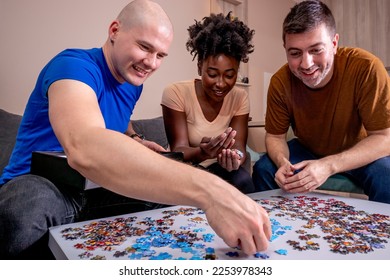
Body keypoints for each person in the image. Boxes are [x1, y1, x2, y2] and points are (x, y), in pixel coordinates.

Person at [0, 0, 271, 259]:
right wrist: (213, 192)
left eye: (160, 55)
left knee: (171, 201)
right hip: (48, 185)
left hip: (98, 187)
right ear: (115, 31)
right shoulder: (72, 66)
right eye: (144, 47)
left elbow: (111, 118)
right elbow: (85, 145)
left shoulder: (133, 83)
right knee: (25, 208)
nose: (151, 63)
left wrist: (134, 139)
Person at [252, 0, 390, 204]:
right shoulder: (280, 82)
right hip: (306, 149)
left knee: (386, 176)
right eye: (295, 53)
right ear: (286, 49)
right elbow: (275, 136)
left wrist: (328, 165)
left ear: (334, 44)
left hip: (358, 150)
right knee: (265, 169)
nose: (306, 64)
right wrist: (283, 162)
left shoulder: (367, 68)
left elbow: (384, 138)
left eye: (316, 50)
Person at [161, 12, 256, 194]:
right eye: (212, 74)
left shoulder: (239, 97)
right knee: (203, 186)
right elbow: (178, 150)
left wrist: (235, 157)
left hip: (219, 170)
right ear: (199, 67)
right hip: (185, 169)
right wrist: (203, 153)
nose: (220, 83)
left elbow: (239, 147)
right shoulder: (175, 92)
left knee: (243, 179)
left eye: (229, 75)